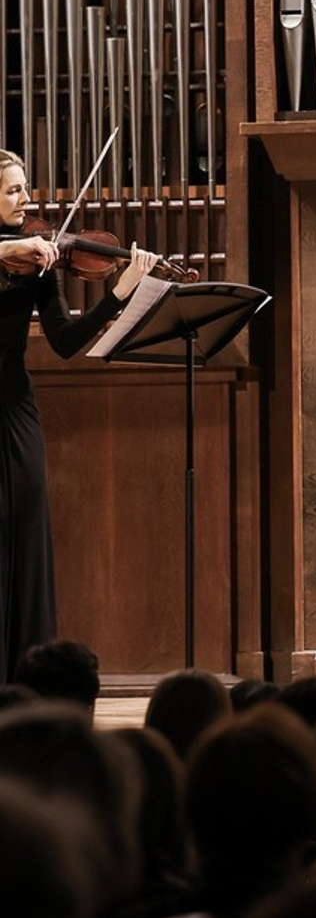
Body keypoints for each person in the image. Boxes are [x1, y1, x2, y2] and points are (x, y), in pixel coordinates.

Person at [0, 151, 160, 680]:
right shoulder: (19, 250)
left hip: (14, 405)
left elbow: (66, 342)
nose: (26, 199)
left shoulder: (40, 259)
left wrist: (115, 295)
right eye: (13, 191)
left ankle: (23, 676)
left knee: (25, 528)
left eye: (25, 188)